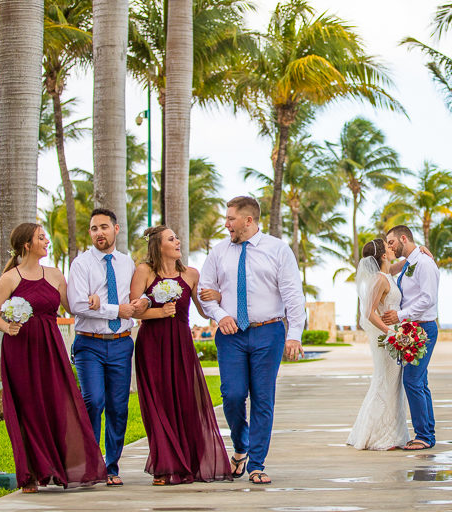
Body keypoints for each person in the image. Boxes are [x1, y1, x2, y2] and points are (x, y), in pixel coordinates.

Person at [0, 223, 106, 492]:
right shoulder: (10, 278)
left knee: (57, 404)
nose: (47, 241)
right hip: (20, 350)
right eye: (41, 238)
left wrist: (95, 299)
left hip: (52, 349)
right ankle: (30, 473)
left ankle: (62, 468)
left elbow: (71, 306)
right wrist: (8, 327)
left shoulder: (54, 275)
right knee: (27, 409)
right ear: (27, 245)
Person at [198, 196, 306, 484]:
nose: (226, 224)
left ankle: (257, 463)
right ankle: (241, 445)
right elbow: (204, 291)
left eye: (231, 218)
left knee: (262, 398)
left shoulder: (278, 250)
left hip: (268, 331)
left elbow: (293, 295)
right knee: (232, 396)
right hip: (230, 334)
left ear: (249, 220)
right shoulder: (219, 252)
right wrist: (221, 315)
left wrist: (294, 334)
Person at [129, 226, 232, 485]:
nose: (178, 241)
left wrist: (217, 297)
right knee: (158, 403)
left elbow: (205, 311)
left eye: (177, 237)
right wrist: (158, 313)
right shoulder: (144, 271)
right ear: (158, 245)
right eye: (171, 238)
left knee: (186, 401)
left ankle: (191, 462)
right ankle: (164, 466)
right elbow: (133, 311)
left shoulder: (191, 274)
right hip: (151, 344)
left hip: (181, 344)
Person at [67, 208, 146, 487]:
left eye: (103, 227)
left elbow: (136, 298)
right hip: (89, 344)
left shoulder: (127, 263)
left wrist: (141, 303)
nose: (98, 233)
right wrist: (116, 310)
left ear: (116, 229)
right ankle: (90, 463)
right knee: (93, 401)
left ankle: (111, 466)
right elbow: (78, 305)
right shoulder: (81, 264)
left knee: (118, 407)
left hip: (122, 345)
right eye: (93, 229)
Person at [347, 238, 410, 451]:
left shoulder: (387, 274)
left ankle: (390, 432)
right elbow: (368, 313)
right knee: (386, 382)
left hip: (394, 335)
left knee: (391, 383)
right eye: (388, 247)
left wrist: (417, 253)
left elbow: (399, 265)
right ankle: (380, 436)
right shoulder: (380, 280)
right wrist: (389, 332)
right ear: (383, 255)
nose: (392, 248)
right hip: (387, 339)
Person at [381, 225, 440, 451]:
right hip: (412, 329)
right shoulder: (410, 263)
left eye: (392, 242)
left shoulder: (424, 263)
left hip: (423, 328)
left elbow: (428, 299)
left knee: (412, 381)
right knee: (420, 382)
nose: (389, 247)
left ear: (403, 238)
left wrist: (400, 315)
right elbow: (387, 269)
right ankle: (427, 433)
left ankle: (424, 435)